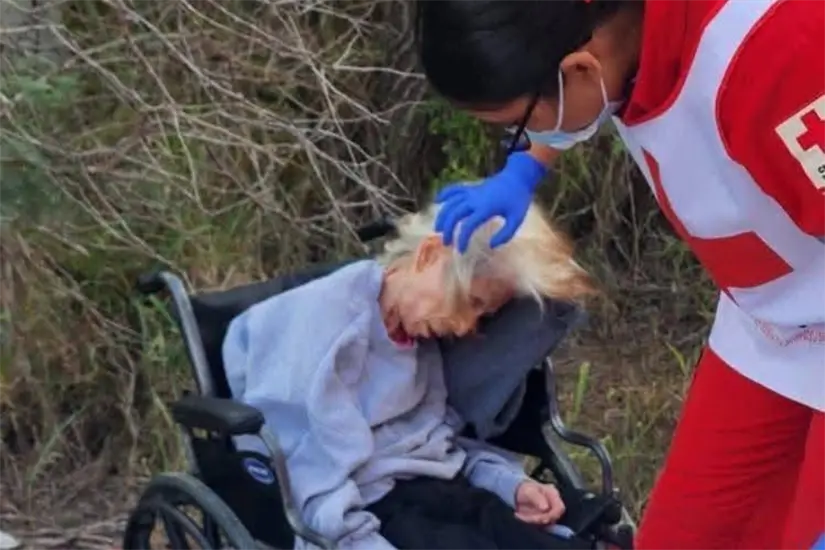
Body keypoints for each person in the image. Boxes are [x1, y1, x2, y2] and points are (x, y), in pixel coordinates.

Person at [414, 0, 825, 549]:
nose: (520, 138)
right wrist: (527, 165)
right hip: (770, 321)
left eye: (516, 127)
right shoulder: (609, 33)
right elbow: (561, 86)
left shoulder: (777, 58)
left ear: (581, 68)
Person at [221, 200, 595, 550]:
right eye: (472, 302)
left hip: (443, 492)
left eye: (482, 315)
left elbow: (438, 443)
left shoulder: (419, 338)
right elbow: (311, 487)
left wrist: (510, 484)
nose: (467, 326)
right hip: (370, 513)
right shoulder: (322, 325)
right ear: (429, 254)